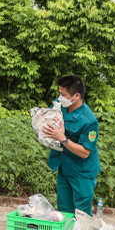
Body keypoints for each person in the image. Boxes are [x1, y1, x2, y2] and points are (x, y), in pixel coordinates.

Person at [41, 74, 101, 215]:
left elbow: (85, 152)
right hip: (65, 167)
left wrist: (62, 139)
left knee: (81, 213)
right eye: (59, 93)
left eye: (63, 94)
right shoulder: (59, 105)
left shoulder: (89, 121)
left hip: (82, 172)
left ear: (76, 96)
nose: (60, 97)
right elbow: (49, 119)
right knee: (64, 210)